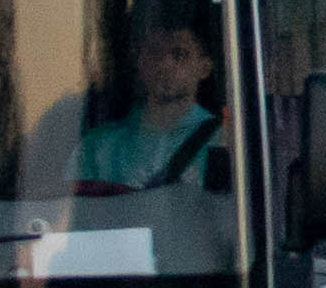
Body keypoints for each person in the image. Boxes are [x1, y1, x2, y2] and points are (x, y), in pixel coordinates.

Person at [75, 20, 226, 190]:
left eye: (179, 55)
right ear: (140, 63)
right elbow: (74, 212)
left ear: (204, 67)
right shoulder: (97, 147)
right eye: (155, 53)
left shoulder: (226, 141)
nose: (164, 64)